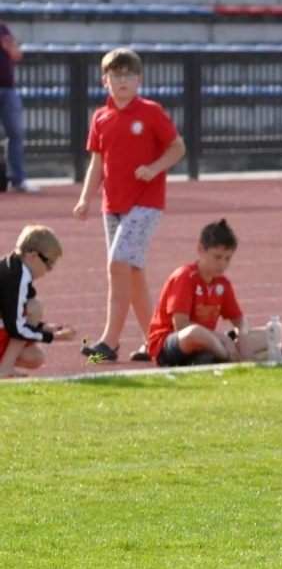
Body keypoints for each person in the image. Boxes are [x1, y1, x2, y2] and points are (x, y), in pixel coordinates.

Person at [72, 48, 186, 362]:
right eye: (116, 75)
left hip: (146, 203)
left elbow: (177, 147)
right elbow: (97, 163)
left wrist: (155, 167)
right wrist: (85, 199)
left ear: (140, 79)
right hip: (113, 205)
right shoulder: (101, 117)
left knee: (117, 264)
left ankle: (109, 341)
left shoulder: (151, 112)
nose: (122, 81)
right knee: (132, 272)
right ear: (105, 80)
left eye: (128, 75)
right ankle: (155, 340)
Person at [145, 218, 272, 367]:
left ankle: (217, 355)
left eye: (227, 258)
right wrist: (224, 340)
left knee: (270, 334)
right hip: (171, 344)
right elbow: (180, 324)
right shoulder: (184, 277)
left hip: (209, 341)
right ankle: (228, 356)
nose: (222, 264)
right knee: (195, 332)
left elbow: (240, 320)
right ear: (201, 250)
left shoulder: (222, 283)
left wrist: (243, 336)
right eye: (217, 257)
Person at [1, 225, 75, 377]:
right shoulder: (16, 278)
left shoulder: (13, 267)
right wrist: (54, 337)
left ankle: (4, 366)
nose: (48, 270)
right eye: (49, 264)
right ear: (33, 255)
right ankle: (4, 369)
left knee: (35, 357)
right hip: (10, 326)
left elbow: (11, 313)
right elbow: (17, 327)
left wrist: (44, 327)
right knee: (35, 308)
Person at [0, 16, 37, 193]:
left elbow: (17, 55)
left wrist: (10, 47)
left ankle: (18, 178)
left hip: (8, 90)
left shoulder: (3, 29)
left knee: (16, 134)